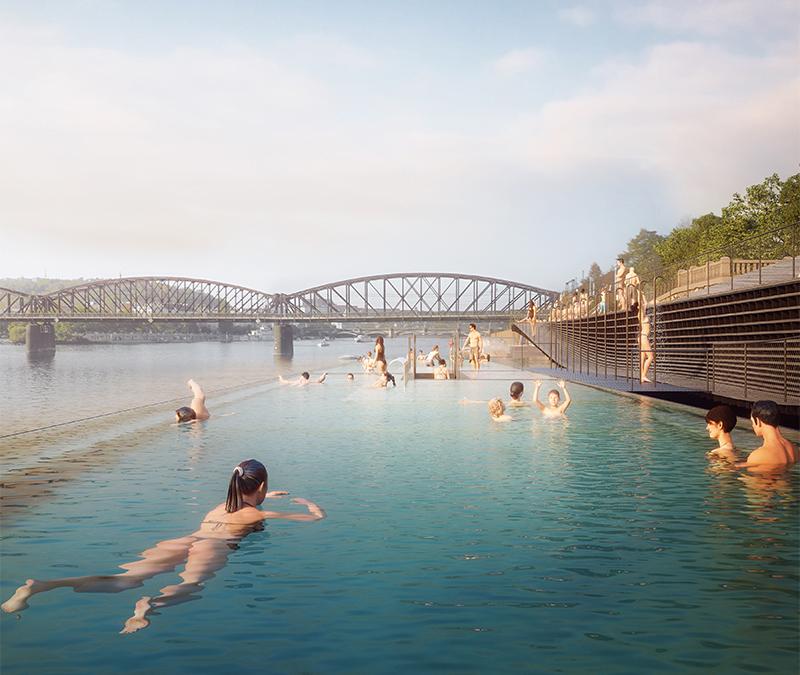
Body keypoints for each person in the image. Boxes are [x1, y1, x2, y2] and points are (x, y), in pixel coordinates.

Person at [1, 460, 325, 633]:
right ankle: (151, 605)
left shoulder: (222, 505)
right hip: (213, 547)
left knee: (122, 579)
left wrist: (272, 491)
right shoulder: (257, 511)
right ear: (262, 487)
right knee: (191, 585)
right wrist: (312, 506)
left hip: (188, 538)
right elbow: (311, 520)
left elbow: (246, 496)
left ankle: (40, 586)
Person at [736, 401, 798, 472]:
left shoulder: (758, 455)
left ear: (758, 421)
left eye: (752, 422)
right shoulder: (795, 449)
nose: (752, 425)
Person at [639, 315, 654, 383]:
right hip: (644, 337)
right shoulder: (641, 314)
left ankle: (642, 376)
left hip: (642, 336)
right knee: (651, 357)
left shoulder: (641, 315)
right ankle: (644, 375)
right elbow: (642, 304)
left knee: (643, 357)